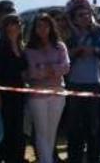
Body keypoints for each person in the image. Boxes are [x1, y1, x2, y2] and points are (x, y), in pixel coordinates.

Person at [25, 13, 71, 163]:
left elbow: (65, 67)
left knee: (52, 132)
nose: (43, 29)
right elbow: (32, 72)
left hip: (57, 93)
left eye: (46, 25)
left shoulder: (59, 46)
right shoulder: (30, 49)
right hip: (37, 95)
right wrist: (52, 69)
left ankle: (46, 159)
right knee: (41, 131)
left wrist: (44, 68)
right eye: (39, 26)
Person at [65, 4, 100, 163]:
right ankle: (74, 157)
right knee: (74, 125)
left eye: (88, 15)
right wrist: (76, 51)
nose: (85, 18)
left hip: (93, 83)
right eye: (81, 15)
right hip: (74, 83)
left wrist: (94, 51)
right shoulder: (69, 37)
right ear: (74, 19)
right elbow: (63, 57)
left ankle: (93, 157)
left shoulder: (98, 34)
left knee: (93, 125)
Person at [0, 14, 28, 163]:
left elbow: (23, 71)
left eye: (17, 23)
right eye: (12, 23)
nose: (16, 26)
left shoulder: (21, 46)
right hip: (3, 95)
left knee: (18, 130)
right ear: (5, 27)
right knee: (5, 129)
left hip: (19, 94)